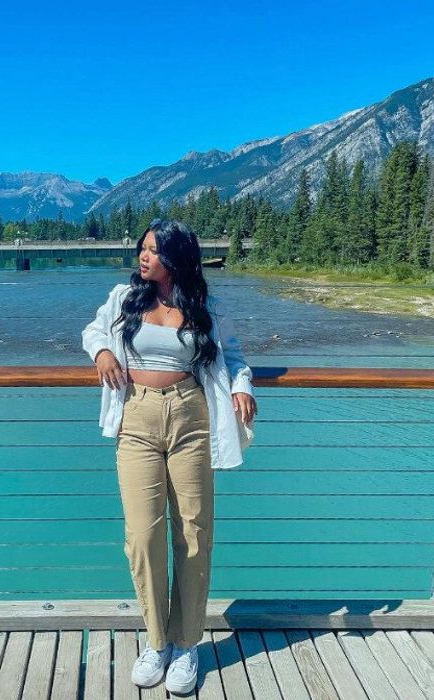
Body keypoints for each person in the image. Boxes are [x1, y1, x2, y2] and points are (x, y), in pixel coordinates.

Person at [83, 219, 256, 695]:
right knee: (142, 536)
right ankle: (157, 640)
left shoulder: (205, 307)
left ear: (177, 257)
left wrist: (241, 386)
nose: (144, 256)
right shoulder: (124, 297)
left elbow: (235, 356)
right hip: (135, 418)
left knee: (194, 535)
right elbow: (93, 330)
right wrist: (101, 352)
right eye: (143, 248)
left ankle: (186, 645)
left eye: (154, 250)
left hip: (190, 416)